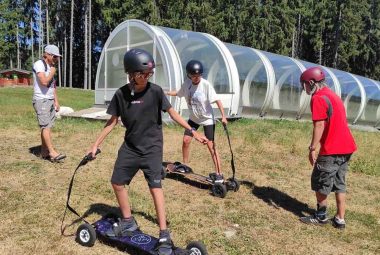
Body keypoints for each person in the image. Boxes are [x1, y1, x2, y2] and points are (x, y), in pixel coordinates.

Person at [88, 49, 207, 254]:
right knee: (117, 182)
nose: (147, 77)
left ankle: (164, 233)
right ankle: (127, 221)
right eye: (143, 74)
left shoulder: (156, 91)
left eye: (149, 74)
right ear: (131, 73)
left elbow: (172, 113)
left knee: (155, 187)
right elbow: (112, 121)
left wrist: (192, 131)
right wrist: (96, 143)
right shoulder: (121, 94)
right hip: (130, 148)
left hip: (151, 148)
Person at [299, 66, 357, 229]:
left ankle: (321, 216)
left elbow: (319, 125)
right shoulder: (333, 95)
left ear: (311, 82)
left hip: (332, 149)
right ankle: (340, 218)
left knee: (320, 181)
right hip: (347, 147)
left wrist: (312, 148)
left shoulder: (318, 97)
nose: (304, 88)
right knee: (339, 183)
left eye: (304, 84)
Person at [166, 60, 228, 183]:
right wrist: (165, 93)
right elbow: (178, 93)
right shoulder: (187, 84)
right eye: (193, 76)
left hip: (207, 119)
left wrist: (223, 116)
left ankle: (219, 174)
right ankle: (184, 164)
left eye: (198, 76)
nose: (196, 78)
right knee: (186, 140)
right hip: (194, 118)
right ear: (189, 75)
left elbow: (217, 101)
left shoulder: (205, 85)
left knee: (211, 146)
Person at [32, 44, 66, 162]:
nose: (57, 59)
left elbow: (52, 86)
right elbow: (44, 82)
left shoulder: (50, 66)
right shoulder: (39, 64)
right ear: (48, 55)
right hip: (41, 100)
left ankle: (44, 152)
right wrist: (52, 71)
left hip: (50, 100)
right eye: (55, 57)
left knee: (47, 126)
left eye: (57, 57)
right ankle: (52, 152)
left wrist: (56, 101)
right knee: (45, 126)